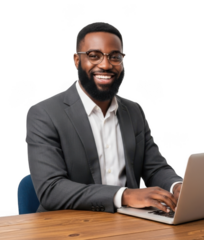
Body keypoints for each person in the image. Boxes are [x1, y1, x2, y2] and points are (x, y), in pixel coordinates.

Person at [25, 22, 183, 214]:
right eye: (94, 56)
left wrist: (177, 186)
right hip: (68, 226)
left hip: (130, 223)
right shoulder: (44, 114)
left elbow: (155, 168)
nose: (106, 65)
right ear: (76, 60)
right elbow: (51, 189)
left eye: (114, 57)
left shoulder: (134, 112)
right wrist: (124, 196)